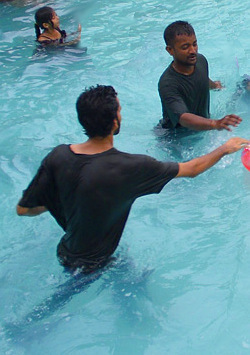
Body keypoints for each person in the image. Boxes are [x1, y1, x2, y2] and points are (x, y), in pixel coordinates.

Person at [16, 85, 249, 273]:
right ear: (115, 121)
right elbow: (192, 169)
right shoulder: (131, 167)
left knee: (132, 274)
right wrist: (225, 149)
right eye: (119, 110)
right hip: (95, 264)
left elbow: (24, 210)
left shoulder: (58, 155)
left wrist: (75, 200)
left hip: (66, 251)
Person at [158, 20, 242, 131]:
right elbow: (183, 118)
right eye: (185, 47)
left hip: (203, 127)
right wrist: (214, 123)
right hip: (176, 137)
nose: (193, 51)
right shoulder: (167, 83)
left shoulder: (200, 60)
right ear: (170, 50)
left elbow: (202, 78)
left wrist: (215, 86)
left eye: (194, 44)